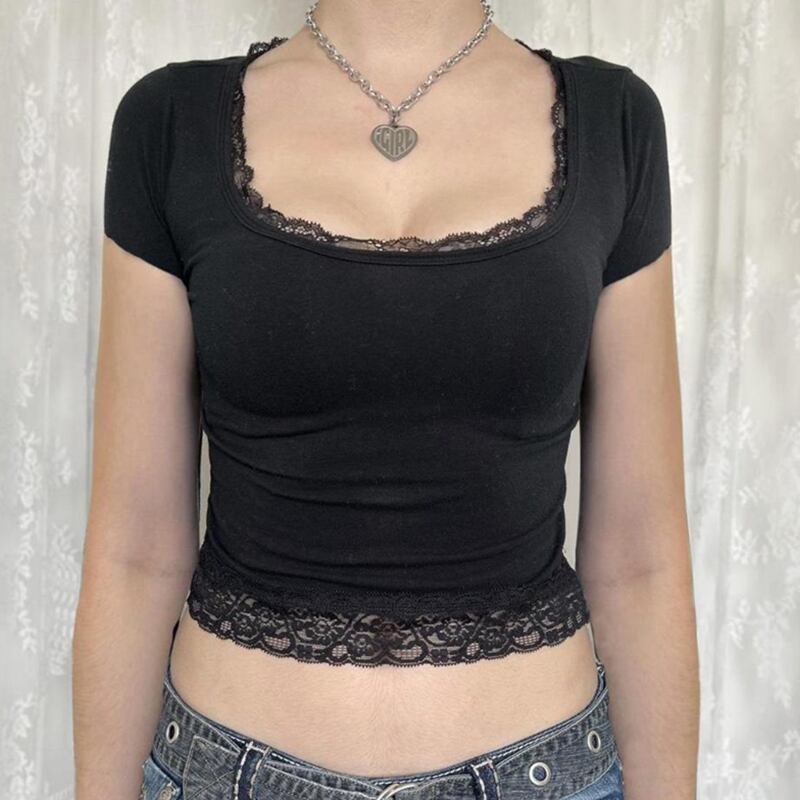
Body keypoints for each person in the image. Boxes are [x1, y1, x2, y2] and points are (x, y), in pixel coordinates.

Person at [72, 1, 700, 799]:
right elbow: (135, 549)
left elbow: (640, 557)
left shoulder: (616, 123)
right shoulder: (169, 123)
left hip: (544, 775)